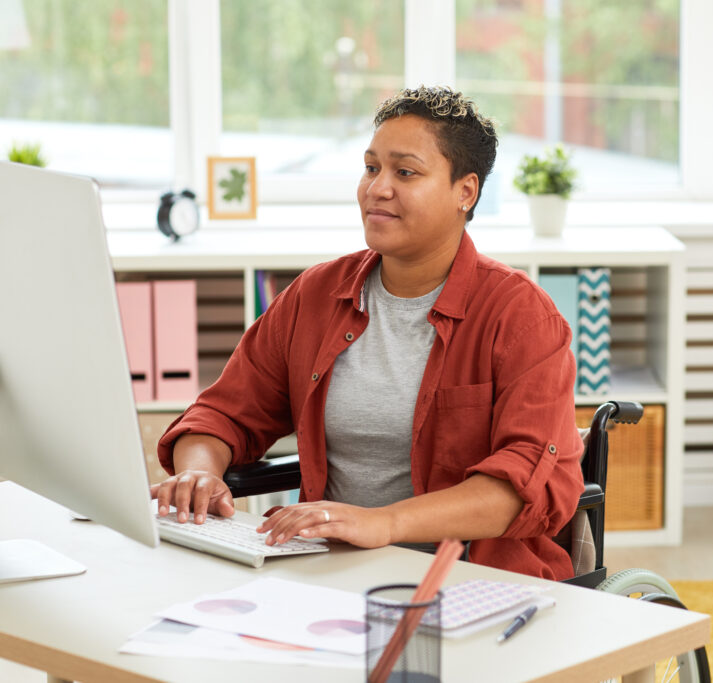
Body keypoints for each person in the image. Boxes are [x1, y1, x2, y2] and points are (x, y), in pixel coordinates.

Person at [153, 86, 585, 580]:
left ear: (465, 192)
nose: (377, 188)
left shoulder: (522, 317)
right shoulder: (315, 295)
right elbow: (222, 413)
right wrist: (199, 472)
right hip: (329, 568)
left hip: (472, 577)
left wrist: (384, 523)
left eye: (405, 172)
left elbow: (526, 483)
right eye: (371, 167)